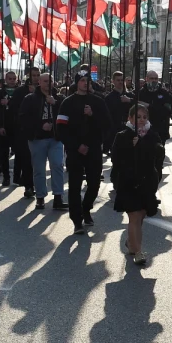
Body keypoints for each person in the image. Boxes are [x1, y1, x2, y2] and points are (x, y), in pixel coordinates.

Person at [56, 70, 112, 234]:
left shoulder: (98, 102)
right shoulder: (67, 102)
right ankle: (77, 220)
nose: (85, 83)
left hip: (93, 148)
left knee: (94, 183)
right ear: (77, 83)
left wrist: (93, 115)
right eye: (82, 80)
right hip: (75, 150)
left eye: (88, 80)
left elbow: (107, 124)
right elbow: (60, 128)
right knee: (74, 185)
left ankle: (86, 208)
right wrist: (75, 145)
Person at [111, 103, 165, 265]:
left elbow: (160, 153)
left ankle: (131, 241)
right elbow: (116, 159)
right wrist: (130, 146)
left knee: (141, 215)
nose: (141, 120)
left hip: (147, 181)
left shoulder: (152, 134)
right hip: (129, 182)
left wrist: (144, 145)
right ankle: (139, 251)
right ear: (130, 118)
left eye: (144, 117)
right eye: (138, 117)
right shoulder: (122, 135)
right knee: (134, 216)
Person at [19, 73, 67, 211]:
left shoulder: (59, 98)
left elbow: (66, 115)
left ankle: (58, 197)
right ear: (39, 82)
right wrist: (40, 126)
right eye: (45, 81)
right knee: (39, 169)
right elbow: (23, 118)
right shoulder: (30, 98)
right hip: (37, 139)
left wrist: (55, 104)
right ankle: (40, 197)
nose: (48, 83)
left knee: (57, 165)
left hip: (55, 138)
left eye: (50, 81)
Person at [10, 67, 39, 196]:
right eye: (34, 75)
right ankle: (29, 186)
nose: (36, 78)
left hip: (42, 132)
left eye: (38, 75)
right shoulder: (20, 91)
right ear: (29, 76)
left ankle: (38, 185)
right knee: (27, 159)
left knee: (38, 161)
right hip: (24, 130)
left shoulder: (45, 90)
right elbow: (13, 110)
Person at [0, 71, 20, 187]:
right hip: (4, 126)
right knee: (4, 153)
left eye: (14, 79)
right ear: (6, 79)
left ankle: (17, 176)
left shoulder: (19, 92)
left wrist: (10, 102)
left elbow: (21, 105)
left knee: (19, 153)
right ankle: (6, 176)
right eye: (10, 79)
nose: (12, 81)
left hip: (17, 127)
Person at [137, 70, 172, 143]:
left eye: (156, 78)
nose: (154, 80)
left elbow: (167, 111)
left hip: (160, 129)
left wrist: (149, 106)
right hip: (144, 130)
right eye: (151, 78)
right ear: (146, 79)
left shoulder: (164, 93)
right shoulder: (140, 93)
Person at [103, 71, 134, 154]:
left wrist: (129, 101)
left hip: (129, 127)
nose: (120, 82)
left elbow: (137, 106)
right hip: (115, 129)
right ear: (113, 81)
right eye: (118, 80)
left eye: (121, 80)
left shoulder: (130, 95)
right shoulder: (109, 98)